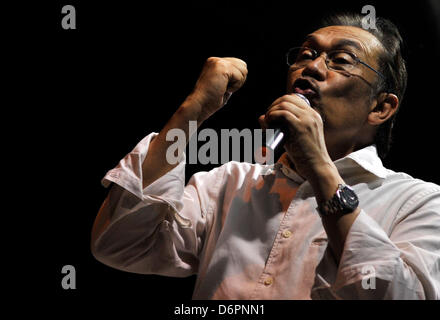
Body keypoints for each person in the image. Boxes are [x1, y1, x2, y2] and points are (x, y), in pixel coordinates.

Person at [91, 13, 440, 299]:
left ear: (381, 107)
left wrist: (319, 168)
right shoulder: (230, 182)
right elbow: (121, 244)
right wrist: (193, 111)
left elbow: (398, 295)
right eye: (305, 54)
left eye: (341, 61)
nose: (313, 67)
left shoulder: (419, 201)